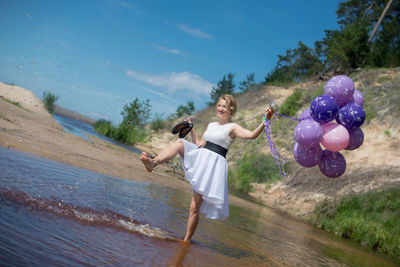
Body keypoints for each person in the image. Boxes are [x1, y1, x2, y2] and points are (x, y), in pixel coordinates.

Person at [140, 94, 266, 243]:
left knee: (194, 206)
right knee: (180, 143)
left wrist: (265, 121)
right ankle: (153, 163)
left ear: (231, 109)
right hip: (201, 158)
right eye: (219, 105)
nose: (220, 108)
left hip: (212, 167)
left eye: (224, 106)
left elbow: (251, 135)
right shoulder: (211, 125)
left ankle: (186, 241)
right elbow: (200, 144)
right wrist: (191, 128)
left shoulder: (233, 128)